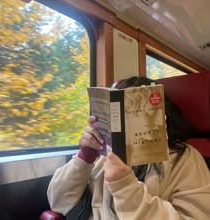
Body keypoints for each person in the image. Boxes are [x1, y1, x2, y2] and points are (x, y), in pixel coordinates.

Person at [47, 76, 210, 220]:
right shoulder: (103, 155)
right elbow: (58, 203)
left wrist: (124, 185)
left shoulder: (185, 157)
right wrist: (84, 157)